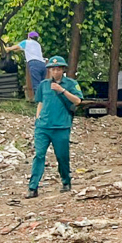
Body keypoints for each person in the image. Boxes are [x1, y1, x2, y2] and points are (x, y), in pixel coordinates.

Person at [27, 55, 83, 197]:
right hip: (43, 127)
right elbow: (40, 102)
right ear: (49, 70)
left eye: (58, 69)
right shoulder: (43, 85)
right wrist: (37, 118)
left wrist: (62, 90)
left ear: (63, 70)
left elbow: (77, 101)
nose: (55, 72)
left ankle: (66, 180)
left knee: (62, 156)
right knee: (39, 155)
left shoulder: (71, 83)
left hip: (61, 126)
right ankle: (33, 187)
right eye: (53, 69)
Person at [5, 31, 46, 96]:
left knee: (36, 85)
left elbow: (16, 47)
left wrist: (8, 49)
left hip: (34, 64)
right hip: (43, 64)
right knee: (43, 85)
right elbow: (20, 49)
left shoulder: (26, 42)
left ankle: (39, 103)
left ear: (29, 37)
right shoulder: (38, 45)